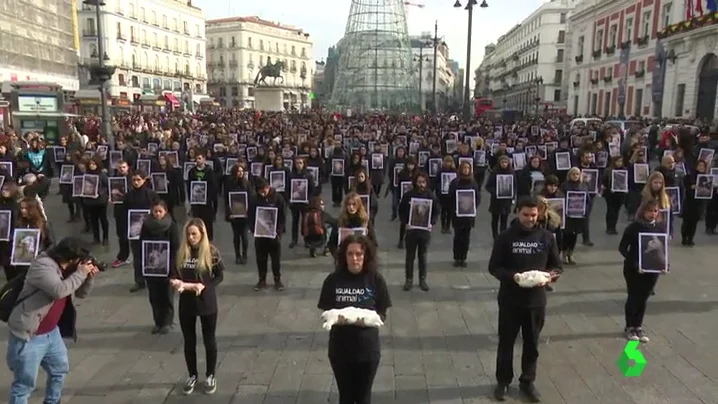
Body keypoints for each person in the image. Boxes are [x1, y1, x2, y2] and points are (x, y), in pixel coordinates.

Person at [6, 237, 98, 404]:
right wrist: (80, 273)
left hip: (51, 332)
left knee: (59, 370)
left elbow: (81, 294)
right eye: (80, 260)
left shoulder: (69, 269)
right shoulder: (42, 266)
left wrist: (89, 277)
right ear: (70, 258)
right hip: (30, 335)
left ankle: (52, 401)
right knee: (24, 386)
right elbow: (59, 290)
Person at [488, 196, 562, 402]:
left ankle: (527, 381)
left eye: (533, 215)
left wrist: (550, 276)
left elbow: (557, 266)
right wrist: (513, 277)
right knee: (506, 343)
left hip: (536, 301)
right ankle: (503, 381)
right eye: (525, 215)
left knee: (532, 343)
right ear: (517, 212)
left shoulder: (546, 237)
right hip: (510, 299)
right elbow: (494, 267)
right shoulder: (505, 238)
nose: (530, 219)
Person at [317, 234, 392, 404]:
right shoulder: (333, 280)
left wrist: (364, 320)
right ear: (343, 256)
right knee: (346, 397)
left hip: (367, 351)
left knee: (364, 398)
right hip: (340, 350)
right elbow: (326, 310)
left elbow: (382, 313)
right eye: (350, 254)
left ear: (366, 256)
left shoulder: (376, 280)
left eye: (359, 254)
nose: (355, 258)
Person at [170, 218, 224, 395]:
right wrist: (176, 283)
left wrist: (205, 286)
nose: (191, 237)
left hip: (206, 302)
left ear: (202, 234)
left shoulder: (212, 252)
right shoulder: (181, 253)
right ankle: (192, 375)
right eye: (188, 234)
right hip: (186, 303)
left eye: (194, 234)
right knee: (189, 341)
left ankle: (210, 375)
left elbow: (219, 276)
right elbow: (172, 275)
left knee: (209, 340)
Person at [618, 199, 666, 343]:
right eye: (650, 211)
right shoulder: (634, 227)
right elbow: (622, 248)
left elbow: (663, 250)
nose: (653, 214)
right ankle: (629, 326)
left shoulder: (660, 228)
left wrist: (663, 264)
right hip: (634, 269)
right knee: (633, 296)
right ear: (643, 211)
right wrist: (634, 262)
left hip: (652, 270)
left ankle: (638, 326)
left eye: (655, 211)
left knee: (644, 298)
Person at [140, 200, 180, 334]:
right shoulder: (146, 226)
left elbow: (175, 247)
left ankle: (167, 322)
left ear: (165, 212)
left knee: (167, 295)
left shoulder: (172, 226)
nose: (157, 214)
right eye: (155, 211)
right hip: (151, 268)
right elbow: (142, 245)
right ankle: (158, 321)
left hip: (167, 267)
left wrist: (173, 269)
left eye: (160, 211)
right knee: (154, 296)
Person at [398, 171, 440, 291]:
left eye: (423, 182)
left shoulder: (430, 195)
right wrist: (405, 222)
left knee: (423, 256)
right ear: (415, 182)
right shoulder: (408, 195)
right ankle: (409, 279)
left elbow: (436, 211)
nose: (421, 184)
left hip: (424, 231)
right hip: (411, 231)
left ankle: (422, 279)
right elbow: (401, 210)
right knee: (410, 256)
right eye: (419, 182)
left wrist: (431, 223)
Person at [123, 170, 160, 293]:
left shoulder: (151, 194)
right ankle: (139, 281)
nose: (136, 182)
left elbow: (158, 211)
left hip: (150, 230)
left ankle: (152, 280)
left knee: (151, 255)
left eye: (138, 179)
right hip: (135, 232)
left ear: (144, 180)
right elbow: (124, 213)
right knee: (137, 258)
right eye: (134, 180)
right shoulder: (128, 196)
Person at [248, 177, 287, 291]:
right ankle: (262, 279)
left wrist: (279, 232)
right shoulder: (254, 199)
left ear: (268, 187)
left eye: (264, 189)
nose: (263, 192)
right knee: (261, 258)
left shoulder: (278, 198)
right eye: (260, 191)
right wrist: (254, 229)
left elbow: (283, 217)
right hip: (260, 235)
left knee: (276, 259)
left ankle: (277, 280)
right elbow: (250, 216)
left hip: (274, 235)